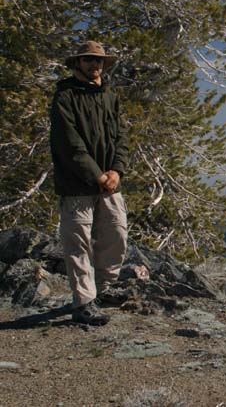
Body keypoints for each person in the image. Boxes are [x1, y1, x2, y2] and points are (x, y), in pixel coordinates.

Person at [50, 41, 129, 326]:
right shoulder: (65, 96)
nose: (95, 65)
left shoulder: (109, 95)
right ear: (78, 63)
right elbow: (69, 143)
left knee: (116, 235)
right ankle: (84, 302)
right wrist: (97, 175)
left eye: (98, 60)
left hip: (109, 182)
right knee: (78, 243)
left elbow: (121, 136)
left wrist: (116, 171)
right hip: (77, 185)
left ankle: (105, 289)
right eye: (88, 60)